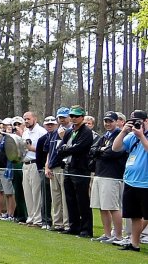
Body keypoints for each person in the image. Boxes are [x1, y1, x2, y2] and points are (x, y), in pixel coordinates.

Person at [111, 110, 147, 252]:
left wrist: (141, 136)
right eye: (133, 122)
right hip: (131, 181)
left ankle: (135, 239)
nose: (136, 124)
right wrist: (123, 132)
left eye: (139, 121)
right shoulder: (131, 136)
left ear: (146, 121)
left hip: (145, 182)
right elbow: (115, 148)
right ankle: (134, 243)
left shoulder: (141, 135)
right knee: (134, 215)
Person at [56, 105, 94, 237]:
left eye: (76, 116)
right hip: (68, 167)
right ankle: (74, 226)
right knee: (70, 199)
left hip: (80, 169)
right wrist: (67, 148)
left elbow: (79, 148)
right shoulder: (69, 131)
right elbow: (60, 148)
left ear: (82, 117)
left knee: (82, 199)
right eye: (72, 116)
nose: (73, 118)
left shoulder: (86, 132)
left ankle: (86, 229)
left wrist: (66, 149)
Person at [90, 112, 127, 245]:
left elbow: (113, 153)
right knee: (102, 206)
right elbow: (92, 150)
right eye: (106, 121)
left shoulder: (120, 135)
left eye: (110, 121)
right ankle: (107, 234)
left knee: (112, 206)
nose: (107, 123)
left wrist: (101, 151)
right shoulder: (104, 136)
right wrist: (102, 150)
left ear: (116, 121)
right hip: (100, 173)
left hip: (112, 175)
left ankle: (118, 235)